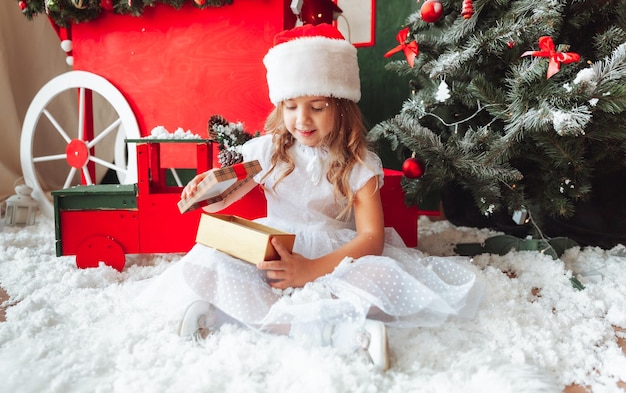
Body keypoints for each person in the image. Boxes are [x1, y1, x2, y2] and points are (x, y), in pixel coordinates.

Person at [138, 23, 483, 371]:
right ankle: (309, 324)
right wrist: (201, 190)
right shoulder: (267, 150)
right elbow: (221, 198)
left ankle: (302, 323)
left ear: (342, 106)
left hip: (336, 257)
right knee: (206, 262)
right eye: (290, 106)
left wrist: (310, 271)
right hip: (275, 250)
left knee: (381, 278)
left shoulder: (359, 163)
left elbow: (371, 238)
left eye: (317, 107)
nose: (301, 119)